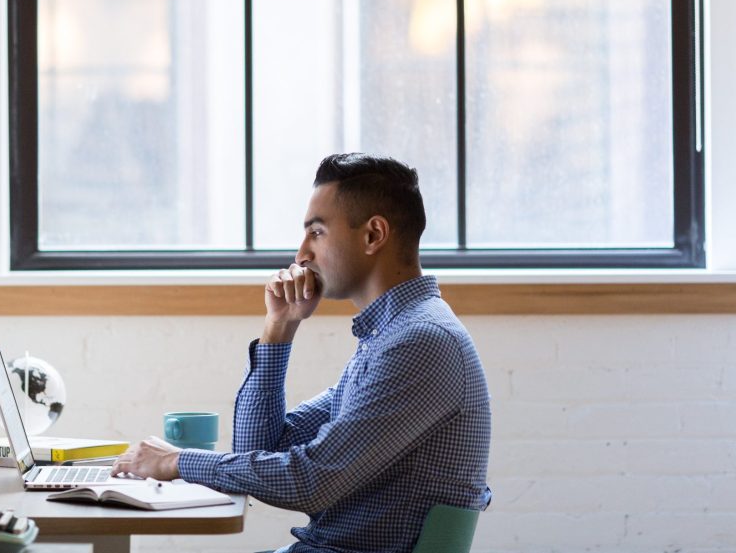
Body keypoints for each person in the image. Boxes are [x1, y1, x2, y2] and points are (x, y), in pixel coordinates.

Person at [113, 153, 492, 552]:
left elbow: (311, 482)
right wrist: (279, 328)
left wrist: (177, 462)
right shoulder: (388, 338)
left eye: (317, 232)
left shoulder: (419, 342)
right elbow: (258, 451)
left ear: (373, 235)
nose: (301, 255)